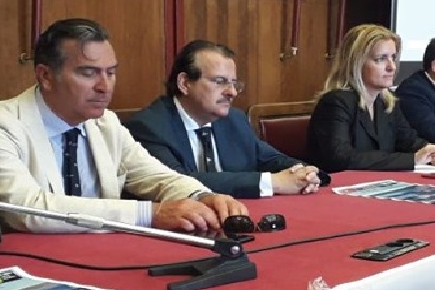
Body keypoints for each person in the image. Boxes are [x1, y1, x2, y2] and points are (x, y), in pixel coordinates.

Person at [0, 19, 248, 234]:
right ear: (45, 76)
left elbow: (157, 177)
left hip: (101, 257)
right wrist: (150, 214)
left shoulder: (105, 123)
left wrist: (202, 196)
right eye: (88, 73)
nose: (104, 86)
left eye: (110, 73)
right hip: (27, 265)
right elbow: (27, 210)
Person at [126, 41, 328, 198]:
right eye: (220, 82)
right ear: (184, 83)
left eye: (234, 84)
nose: (232, 92)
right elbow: (178, 182)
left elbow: (272, 160)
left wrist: (305, 173)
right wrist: (272, 183)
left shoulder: (234, 120)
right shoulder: (148, 127)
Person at [306, 24, 435, 172]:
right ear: (356, 63)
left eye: (393, 58)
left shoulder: (387, 102)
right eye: (381, 59)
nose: (391, 67)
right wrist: (413, 160)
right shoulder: (335, 102)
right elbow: (340, 157)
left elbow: (409, 141)